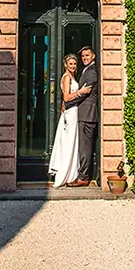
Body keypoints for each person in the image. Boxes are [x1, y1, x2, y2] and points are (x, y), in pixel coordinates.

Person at [47, 54, 89, 187]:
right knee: (69, 143)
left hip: (73, 112)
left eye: (74, 64)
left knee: (72, 143)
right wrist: (81, 92)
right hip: (70, 114)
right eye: (70, 64)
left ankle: (72, 174)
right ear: (65, 64)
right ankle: (65, 174)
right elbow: (66, 97)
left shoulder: (72, 77)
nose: (73, 66)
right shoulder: (66, 78)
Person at [62, 46, 98, 187]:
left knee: (85, 147)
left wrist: (68, 102)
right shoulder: (85, 70)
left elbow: (85, 93)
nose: (84, 58)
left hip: (87, 114)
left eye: (87, 55)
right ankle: (79, 173)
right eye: (83, 56)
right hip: (82, 113)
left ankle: (83, 177)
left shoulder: (91, 73)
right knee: (81, 146)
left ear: (93, 56)